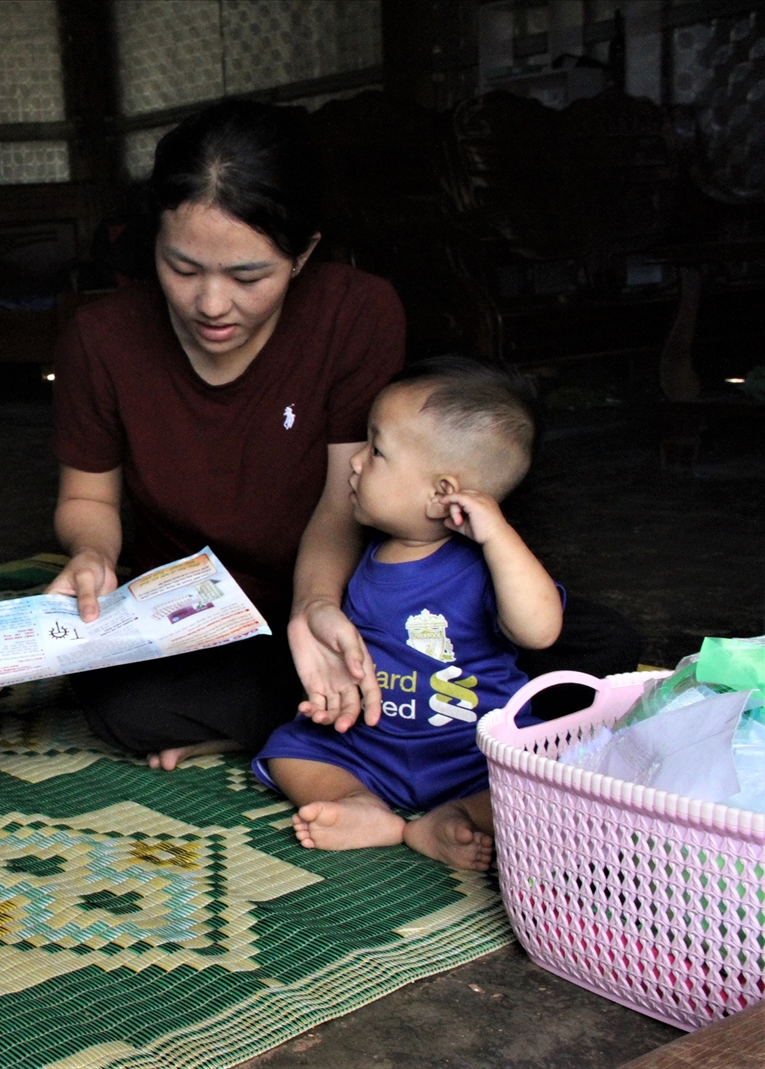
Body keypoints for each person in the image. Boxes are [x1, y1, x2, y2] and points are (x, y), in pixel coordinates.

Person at [48, 99, 406, 768]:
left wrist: (315, 607)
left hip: (332, 597)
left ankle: (290, 714)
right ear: (151, 238)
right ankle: (341, 723)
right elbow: (89, 499)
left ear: (303, 255)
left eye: (248, 276)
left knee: (557, 639)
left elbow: (343, 501)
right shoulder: (101, 340)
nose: (211, 304)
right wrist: (92, 553)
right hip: (199, 626)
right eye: (182, 269)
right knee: (119, 702)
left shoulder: (356, 314)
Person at [254, 357, 563, 870]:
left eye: (376, 451)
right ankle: (365, 805)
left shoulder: (487, 564)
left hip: (471, 754)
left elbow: (540, 630)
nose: (355, 462)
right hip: (370, 746)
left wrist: (498, 535)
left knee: (541, 784)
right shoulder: (365, 554)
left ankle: (450, 818)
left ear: (442, 492)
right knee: (287, 751)